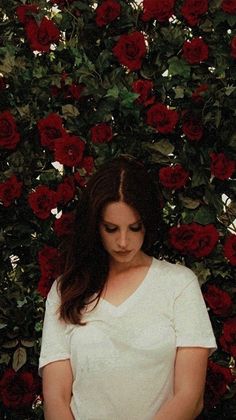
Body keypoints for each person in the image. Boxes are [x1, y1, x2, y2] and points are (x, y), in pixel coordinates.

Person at [39, 156, 217, 420]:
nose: (123, 241)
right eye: (111, 229)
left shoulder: (179, 285)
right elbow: (56, 399)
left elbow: (190, 399)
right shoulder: (66, 290)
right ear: (95, 226)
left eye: (135, 228)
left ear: (148, 222)